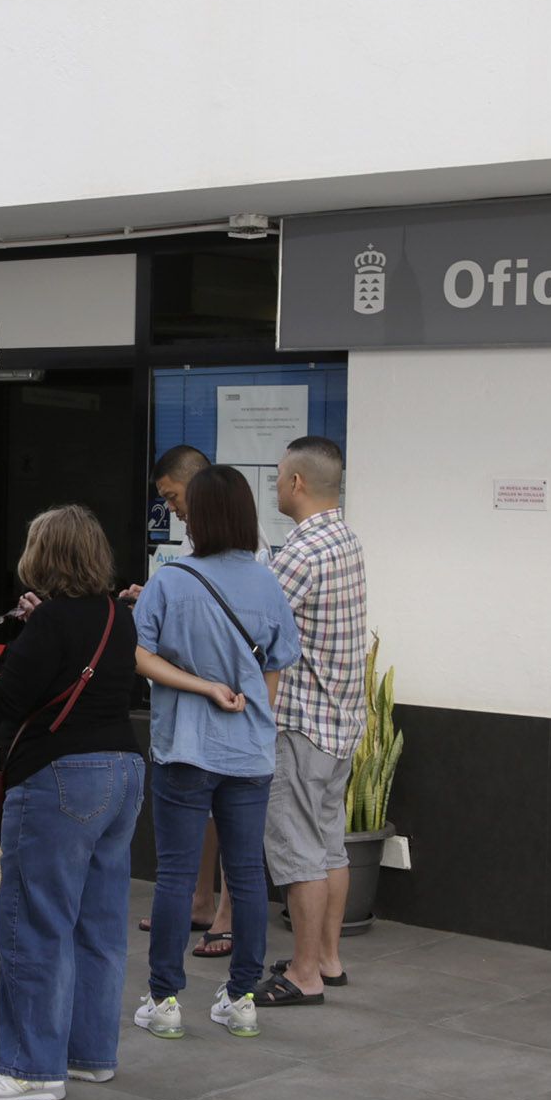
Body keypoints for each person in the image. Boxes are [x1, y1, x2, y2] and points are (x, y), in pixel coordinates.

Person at [0, 504, 143, 1100]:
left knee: (35, 921)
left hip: (60, 779)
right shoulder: (117, 614)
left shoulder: (51, 623)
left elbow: (9, 698)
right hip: (125, 771)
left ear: (45, 556)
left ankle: (32, 1068)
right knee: (101, 923)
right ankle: (89, 1054)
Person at [132, 464, 300, 1041]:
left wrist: (198, 686)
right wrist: (254, 714)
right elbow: (275, 664)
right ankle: (242, 996)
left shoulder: (171, 581)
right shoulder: (267, 582)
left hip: (184, 748)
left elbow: (140, 656)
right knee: (248, 875)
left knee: (176, 876)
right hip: (250, 752)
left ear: (198, 518)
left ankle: (165, 1000)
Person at [260, 436, 370, 1007]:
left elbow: (256, 624)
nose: (276, 485)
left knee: (298, 849)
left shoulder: (302, 553)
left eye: (279, 476)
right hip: (342, 723)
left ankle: (302, 975)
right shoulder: (345, 539)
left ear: (296, 483)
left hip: (302, 725)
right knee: (330, 846)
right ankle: (327, 958)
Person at [143, 443, 232, 957]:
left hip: (222, 715)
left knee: (227, 820)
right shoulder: (183, 561)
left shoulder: (250, 555)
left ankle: (224, 916)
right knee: (197, 816)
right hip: (185, 718)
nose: (171, 509)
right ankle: (200, 903)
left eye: (174, 497)